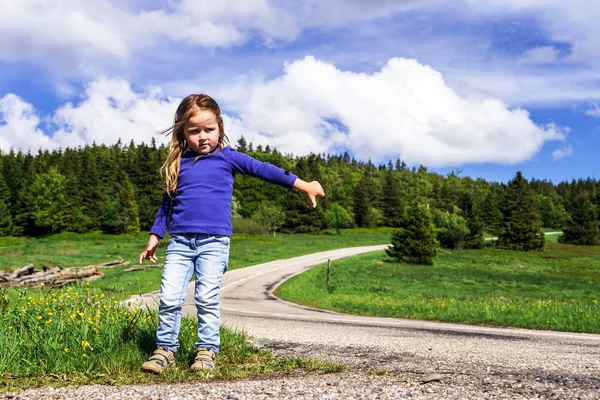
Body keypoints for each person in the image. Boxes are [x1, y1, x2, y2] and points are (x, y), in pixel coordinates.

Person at [139, 94, 325, 373]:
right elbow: (167, 204)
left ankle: (207, 351)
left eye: (209, 129)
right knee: (169, 297)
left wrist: (304, 185)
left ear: (220, 128)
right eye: (194, 131)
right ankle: (165, 350)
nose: (203, 137)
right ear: (183, 132)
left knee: (205, 297)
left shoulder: (229, 158)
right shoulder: (180, 164)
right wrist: (155, 238)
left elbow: (265, 170)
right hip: (179, 243)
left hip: (214, 243)